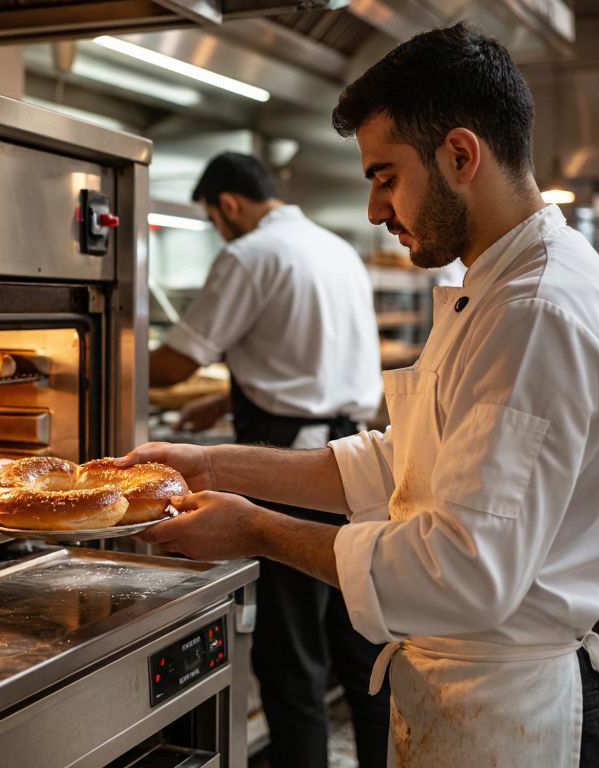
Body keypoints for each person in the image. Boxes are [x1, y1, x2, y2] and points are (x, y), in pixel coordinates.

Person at [126, 23, 599, 768]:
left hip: (514, 716)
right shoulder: (494, 286)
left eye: (385, 176)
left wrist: (255, 530)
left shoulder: (536, 309)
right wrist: (213, 466)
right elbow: (406, 461)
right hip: (471, 694)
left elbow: (463, 573)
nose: (376, 209)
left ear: (461, 155)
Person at [148, 152, 388, 768]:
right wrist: (215, 402)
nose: (220, 229)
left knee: (292, 655)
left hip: (291, 469)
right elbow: (304, 359)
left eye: (214, 217)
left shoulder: (249, 253)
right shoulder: (336, 249)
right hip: (356, 462)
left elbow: (175, 362)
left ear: (227, 204)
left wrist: (91, 366)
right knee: (362, 645)